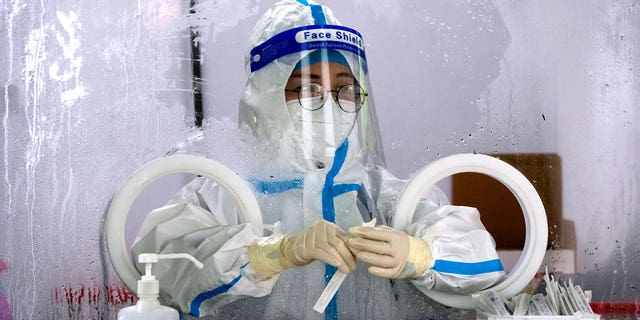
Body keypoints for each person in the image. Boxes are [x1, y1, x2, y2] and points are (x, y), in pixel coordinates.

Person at [131, 1, 505, 319]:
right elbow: (162, 271)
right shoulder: (224, 193)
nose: (330, 105)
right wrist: (270, 254)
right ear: (267, 95)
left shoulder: (377, 191)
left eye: (344, 88)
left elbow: (481, 260)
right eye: (308, 88)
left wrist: (422, 255)